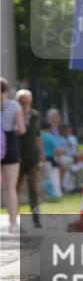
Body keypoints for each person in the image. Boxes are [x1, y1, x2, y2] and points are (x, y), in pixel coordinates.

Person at [1, 79, 26, 234]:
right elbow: (22, 129)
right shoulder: (14, 106)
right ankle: (13, 222)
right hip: (10, 146)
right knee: (11, 187)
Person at [16, 90, 43, 229]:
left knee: (34, 189)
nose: (25, 101)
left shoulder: (35, 115)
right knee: (15, 189)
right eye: (22, 99)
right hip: (17, 157)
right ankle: (15, 219)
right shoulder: (14, 113)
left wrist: (41, 154)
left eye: (27, 99)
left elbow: (37, 135)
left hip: (32, 158)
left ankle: (36, 219)